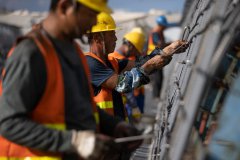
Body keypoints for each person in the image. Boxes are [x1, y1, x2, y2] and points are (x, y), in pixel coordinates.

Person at [0, 1, 141, 160]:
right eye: (90, 15)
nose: (93, 23)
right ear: (64, 7)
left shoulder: (73, 52)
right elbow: (8, 123)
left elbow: (82, 107)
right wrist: (75, 141)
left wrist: (114, 125)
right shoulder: (30, 53)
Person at [86, 12, 188, 121]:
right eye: (111, 34)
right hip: (101, 133)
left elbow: (139, 63)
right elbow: (122, 84)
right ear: (97, 38)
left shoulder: (111, 62)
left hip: (116, 129)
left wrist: (168, 50)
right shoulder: (90, 63)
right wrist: (150, 65)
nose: (116, 39)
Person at [108, 27, 146, 121]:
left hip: (122, 105)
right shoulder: (116, 60)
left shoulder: (117, 58)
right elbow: (123, 86)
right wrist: (134, 106)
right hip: (117, 108)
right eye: (136, 52)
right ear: (131, 46)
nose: (135, 55)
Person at [147, 15, 173, 99]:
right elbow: (159, 44)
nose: (165, 28)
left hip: (158, 56)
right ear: (161, 25)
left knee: (160, 77)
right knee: (157, 78)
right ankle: (156, 97)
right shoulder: (155, 33)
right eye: (164, 26)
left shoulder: (159, 32)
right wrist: (170, 44)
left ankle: (157, 96)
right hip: (153, 57)